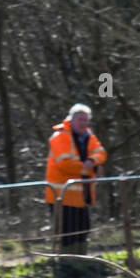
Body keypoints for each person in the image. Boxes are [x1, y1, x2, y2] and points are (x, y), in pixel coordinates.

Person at [44, 104, 107, 255]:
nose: (84, 123)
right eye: (80, 119)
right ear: (71, 120)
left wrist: (92, 161)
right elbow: (65, 164)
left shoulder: (89, 137)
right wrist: (92, 167)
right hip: (62, 196)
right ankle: (69, 264)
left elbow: (101, 153)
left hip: (82, 196)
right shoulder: (60, 137)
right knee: (68, 233)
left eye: (86, 120)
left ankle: (81, 261)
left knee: (83, 231)